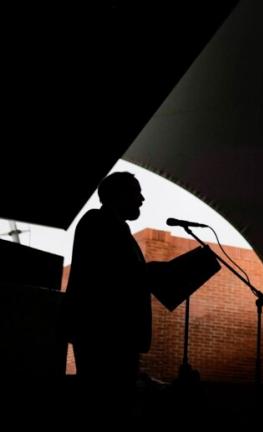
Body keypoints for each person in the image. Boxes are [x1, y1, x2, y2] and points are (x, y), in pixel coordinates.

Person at [63, 172, 157, 417]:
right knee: (104, 405)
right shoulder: (97, 221)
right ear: (119, 194)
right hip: (103, 334)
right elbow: (113, 272)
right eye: (136, 192)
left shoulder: (115, 227)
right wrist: (152, 272)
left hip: (116, 336)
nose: (142, 199)